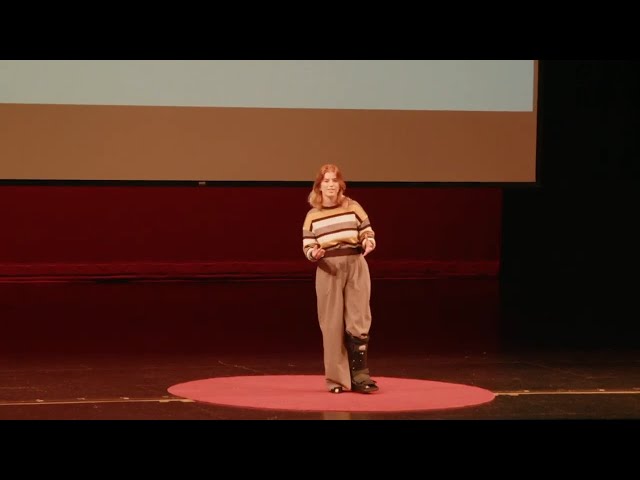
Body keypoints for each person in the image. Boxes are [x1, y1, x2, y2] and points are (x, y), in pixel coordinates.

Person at [302, 164, 379, 394]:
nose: (331, 185)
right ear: (319, 186)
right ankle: (336, 380)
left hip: (355, 264)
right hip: (329, 268)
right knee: (331, 324)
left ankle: (360, 376)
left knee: (359, 318)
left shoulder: (353, 206)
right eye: (326, 181)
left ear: (340, 185)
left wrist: (368, 241)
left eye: (334, 180)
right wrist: (314, 253)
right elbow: (308, 245)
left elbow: (367, 231)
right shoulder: (312, 216)